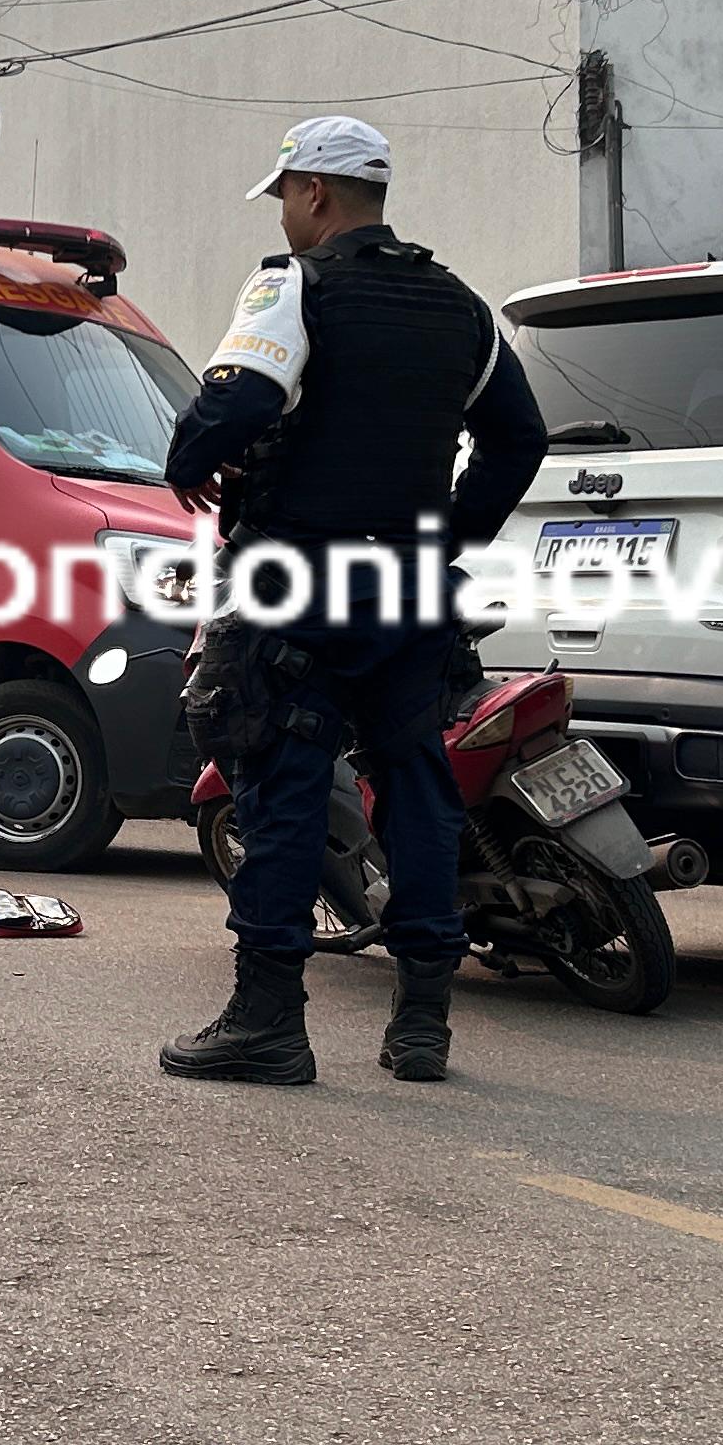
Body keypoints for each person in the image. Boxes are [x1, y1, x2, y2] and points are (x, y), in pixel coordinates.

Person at [158, 115, 547, 1086]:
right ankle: (421, 1025)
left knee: (282, 789)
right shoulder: (460, 307)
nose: (286, 214)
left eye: (287, 194)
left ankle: (268, 1024)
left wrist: (190, 457)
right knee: (415, 788)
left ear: (316, 194)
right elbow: (518, 441)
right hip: (411, 595)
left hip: (297, 589)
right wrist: (449, 541)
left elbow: (242, 400)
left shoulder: (296, 286)